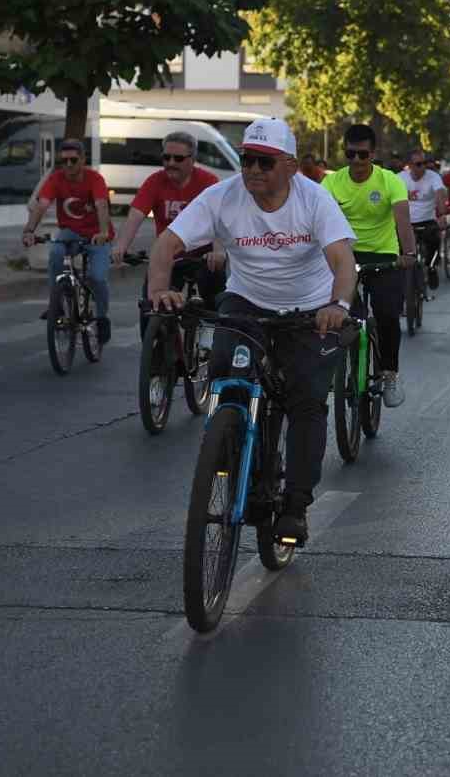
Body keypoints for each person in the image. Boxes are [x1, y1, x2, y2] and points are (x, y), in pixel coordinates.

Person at [149, 117, 357, 544]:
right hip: (246, 300)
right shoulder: (222, 197)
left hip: (310, 309)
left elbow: (342, 261)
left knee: (306, 402)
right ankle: (227, 448)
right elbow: (167, 243)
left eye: (264, 162)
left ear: (291, 166)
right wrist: (160, 289)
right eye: (246, 161)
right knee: (227, 372)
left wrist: (337, 306)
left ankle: (296, 506)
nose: (253, 171)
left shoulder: (315, 200)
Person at [322, 123, 416, 408]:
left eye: (362, 155)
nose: (356, 161)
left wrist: (408, 253)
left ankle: (389, 373)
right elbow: (320, 221)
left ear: (373, 154)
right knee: (334, 312)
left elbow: (402, 219)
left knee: (387, 314)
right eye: (350, 154)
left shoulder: (390, 180)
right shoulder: (332, 183)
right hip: (345, 256)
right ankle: (332, 366)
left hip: (384, 257)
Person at [112, 130, 226, 331]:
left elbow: (218, 221)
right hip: (168, 256)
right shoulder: (155, 181)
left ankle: (214, 345)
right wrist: (121, 246)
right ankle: (157, 351)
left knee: (217, 305)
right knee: (151, 306)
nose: (171, 162)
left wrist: (217, 251)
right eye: (166, 157)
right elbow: (135, 216)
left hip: (203, 257)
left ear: (193, 159)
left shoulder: (209, 182)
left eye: (178, 158)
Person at [21, 138, 114, 342]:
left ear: (83, 159)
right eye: (64, 161)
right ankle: (58, 308)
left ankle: (102, 318)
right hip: (70, 232)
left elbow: (101, 205)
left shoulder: (94, 179)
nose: (69, 165)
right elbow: (42, 205)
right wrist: (29, 230)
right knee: (55, 253)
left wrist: (104, 232)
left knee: (97, 277)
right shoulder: (56, 179)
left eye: (73, 160)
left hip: (97, 234)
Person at [398, 150, 448, 288]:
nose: (423, 167)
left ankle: (431, 268)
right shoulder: (400, 178)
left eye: (425, 163)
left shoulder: (433, 177)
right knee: (398, 248)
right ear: (410, 165)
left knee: (435, 241)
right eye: (419, 164)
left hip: (427, 220)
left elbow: (439, 194)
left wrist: (442, 214)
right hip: (405, 222)